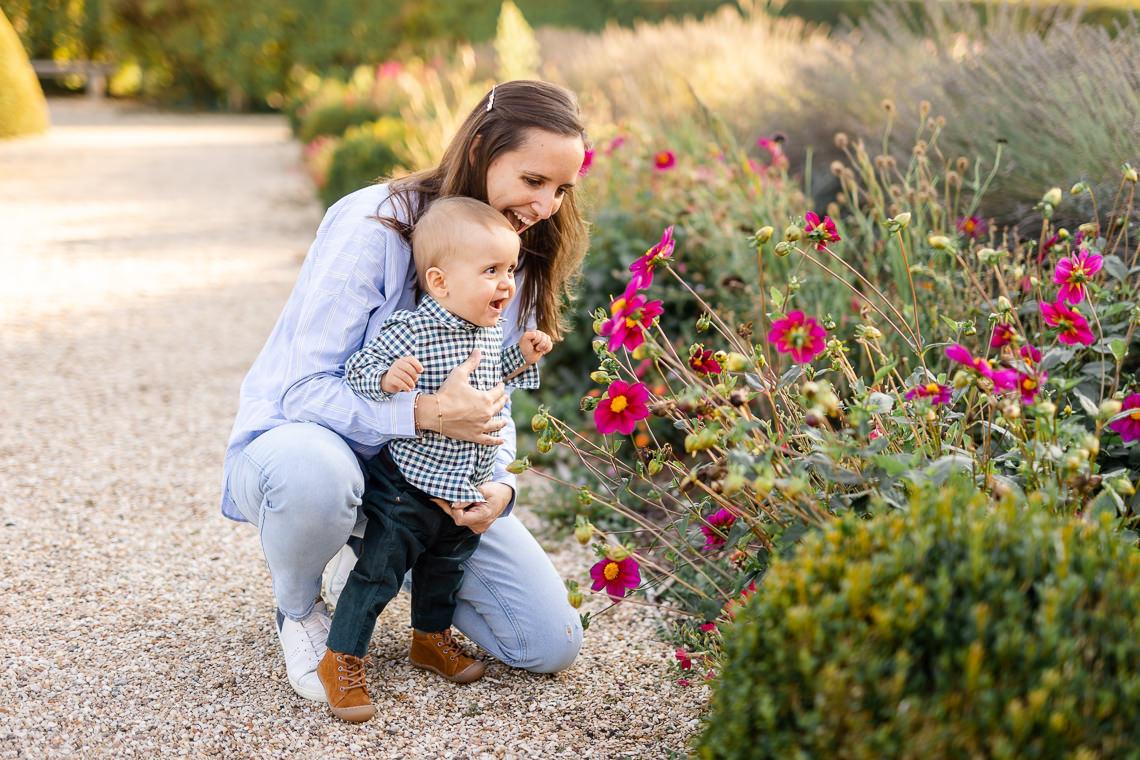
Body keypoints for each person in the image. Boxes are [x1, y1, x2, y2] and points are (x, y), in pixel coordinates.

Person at [221, 80, 588, 703]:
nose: (547, 205)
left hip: (432, 480)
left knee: (548, 644)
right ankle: (301, 602)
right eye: (533, 181)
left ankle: (372, 552)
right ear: (479, 149)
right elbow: (303, 390)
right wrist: (424, 412)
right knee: (316, 477)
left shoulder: (512, 252)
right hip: (316, 451)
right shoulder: (374, 223)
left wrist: (500, 484)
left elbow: (491, 390)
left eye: (561, 189)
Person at [319, 197, 552, 723]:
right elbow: (359, 368)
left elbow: (496, 380)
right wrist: (386, 379)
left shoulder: (489, 331)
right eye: (490, 270)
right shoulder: (412, 329)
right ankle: (342, 658)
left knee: (446, 567)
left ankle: (429, 638)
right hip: (408, 484)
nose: (505, 284)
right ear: (440, 282)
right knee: (380, 571)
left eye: (510, 270)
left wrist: (524, 356)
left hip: (464, 482)